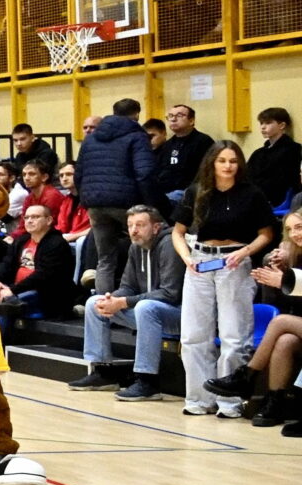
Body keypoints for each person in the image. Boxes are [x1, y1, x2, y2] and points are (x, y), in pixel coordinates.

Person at [171, 140, 275, 419]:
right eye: (222, 160)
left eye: (233, 161)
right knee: (193, 335)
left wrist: (245, 251)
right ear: (212, 163)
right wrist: (187, 258)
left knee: (234, 335)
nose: (228, 166)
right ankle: (198, 398)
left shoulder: (251, 193)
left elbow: (266, 233)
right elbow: (177, 232)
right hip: (200, 262)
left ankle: (229, 401)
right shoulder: (197, 192)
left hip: (235, 261)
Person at [200, 207, 302, 430]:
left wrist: (286, 281)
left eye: (299, 227)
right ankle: (274, 403)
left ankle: (247, 375)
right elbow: (293, 305)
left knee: (280, 322)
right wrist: (283, 274)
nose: (295, 234)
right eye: (289, 230)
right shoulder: (295, 257)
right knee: (285, 341)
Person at [70, 206, 185, 401]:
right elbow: (128, 287)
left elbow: (170, 293)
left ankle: (147, 381)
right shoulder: (135, 247)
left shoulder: (169, 244)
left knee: (145, 307)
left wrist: (123, 302)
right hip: (148, 313)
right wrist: (112, 300)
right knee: (94, 303)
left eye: (140, 225)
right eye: (130, 225)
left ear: (156, 227)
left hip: (179, 315)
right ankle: (102, 372)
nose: (133, 230)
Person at [74, 97, 161, 291]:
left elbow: (79, 174)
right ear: (136, 114)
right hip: (127, 203)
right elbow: (145, 173)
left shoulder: (91, 139)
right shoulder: (137, 136)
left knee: (105, 259)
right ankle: (143, 299)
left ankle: (102, 305)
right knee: (145, 251)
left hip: (95, 204)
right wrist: (152, 205)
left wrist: (86, 200)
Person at [0, 202, 76, 338]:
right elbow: (5, 263)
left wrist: (12, 290)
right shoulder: (21, 241)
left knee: (7, 305)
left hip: (45, 294)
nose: (29, 220)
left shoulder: (57, 243)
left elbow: (43, 276)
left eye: (35, 217)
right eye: (27, 217)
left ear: (49, 220)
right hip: (17, 288)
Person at [153, 104, 212, 210]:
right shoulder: (167, 145)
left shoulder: (203, 142)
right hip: (165, 191)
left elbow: (207, 173)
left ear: (191, 120)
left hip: (189, 193)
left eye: (179, 115)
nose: (173, 119)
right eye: (170, 116)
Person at [249, 106, 298, 213]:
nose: (263, 127)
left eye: (268, 123)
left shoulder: (293, 150)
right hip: (256, 196)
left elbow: (286, 181)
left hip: (276, 200)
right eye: (261, 123)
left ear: (282, 125)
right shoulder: (258, 153)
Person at [20, 160, 84, 238]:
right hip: (61, 235)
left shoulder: (52, 196)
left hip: (77, 237)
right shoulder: (67, 200)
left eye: (69, 174)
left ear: (44, 177)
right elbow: (23, 224)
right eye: (61, 175)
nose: (26, 178)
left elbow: (47, 225)